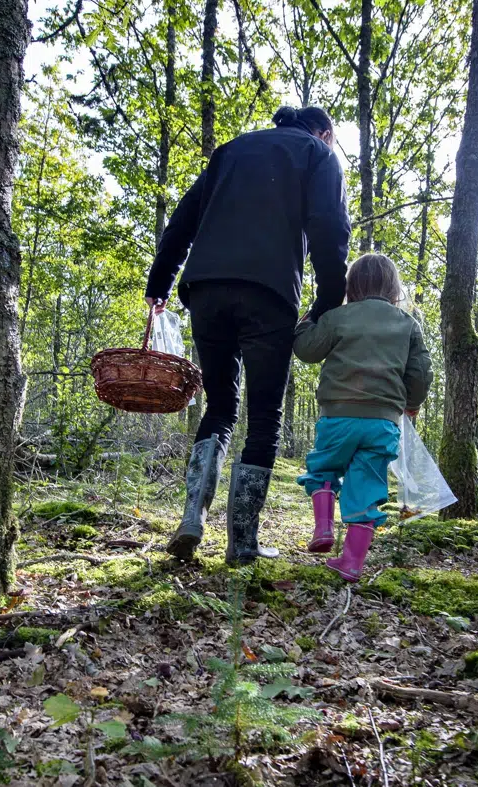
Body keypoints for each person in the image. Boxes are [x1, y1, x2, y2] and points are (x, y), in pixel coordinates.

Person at [146, 105, 351, 566]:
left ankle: (191, 519)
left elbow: (183, 219)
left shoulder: (233, 150)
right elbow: (329, 228)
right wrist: (326, 301)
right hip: (269, 293)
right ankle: (242, 542)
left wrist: (159, 283)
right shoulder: (318, 155)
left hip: (206, 289)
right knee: (263, 417)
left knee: (219, 407)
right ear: (324, 132)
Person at [292, 253, 432, 582]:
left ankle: (324, 529)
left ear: (351, 285)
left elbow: (307, 351)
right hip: (382, 422)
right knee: (367, 487)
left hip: (337, 416)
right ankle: (352, 563)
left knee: (323, 469)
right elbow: (422, 372)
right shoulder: (407, 324)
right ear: (393, 287)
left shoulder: (339, 317)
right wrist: (412, 404)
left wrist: (304, 323)